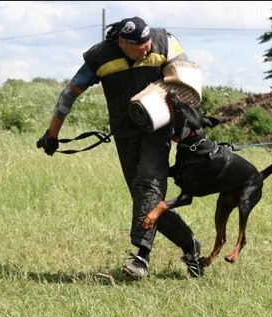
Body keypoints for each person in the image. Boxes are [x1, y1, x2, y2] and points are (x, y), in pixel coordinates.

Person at [36, 16, 203, 279]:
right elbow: (69, 94)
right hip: (124, 135)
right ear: (123, 43)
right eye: (140, 46)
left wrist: (187, 130)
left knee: (148, 184)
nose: (147, 49)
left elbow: (187, 83)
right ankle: (190, 245)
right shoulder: (100, 57)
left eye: (148, 44)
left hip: (158, 130)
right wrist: (52, 134)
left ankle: (142, 256)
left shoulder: (165, 43)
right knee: (145, 199)